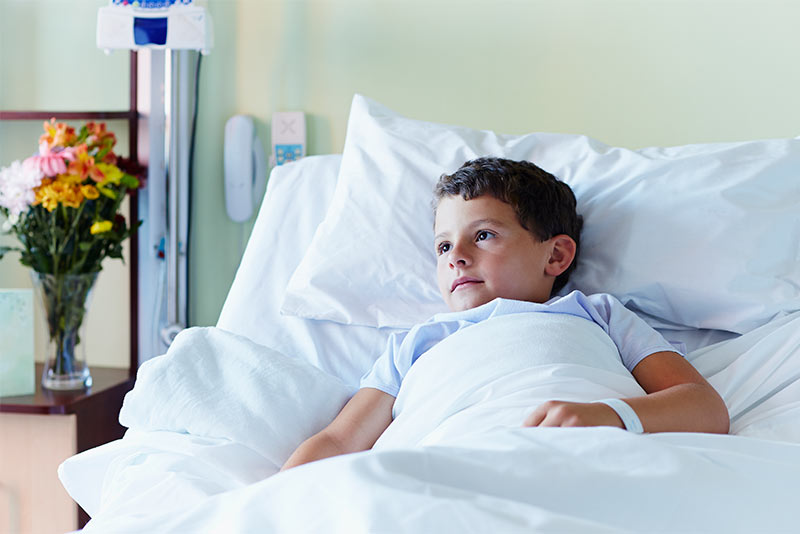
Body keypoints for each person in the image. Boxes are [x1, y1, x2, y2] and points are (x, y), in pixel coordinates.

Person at [282, 157, 729, 471]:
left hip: (582, 453)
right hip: (445, 463)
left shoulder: (596, 314)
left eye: (483, 235)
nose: (455, 255)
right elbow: (340, 440)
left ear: (555, 256)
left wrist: (611, 415)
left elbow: (703, 407)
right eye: (442, 245)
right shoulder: (417, 343)